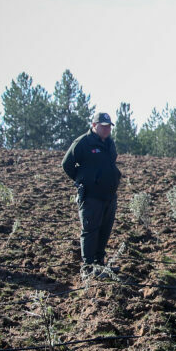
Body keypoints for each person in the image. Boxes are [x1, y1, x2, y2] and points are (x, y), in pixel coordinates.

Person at [62, 112, 122, 278]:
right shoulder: (83, 142)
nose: (106, 129)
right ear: (94, 125)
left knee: (104, 231)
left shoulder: (109, 143)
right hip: (91, 196)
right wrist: (84, 179)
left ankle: (100, 266)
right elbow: (67, 164)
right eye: (103, 126)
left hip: (109, 196)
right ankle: (88, 269)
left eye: (109, 126)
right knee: (90, 231)